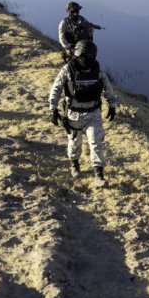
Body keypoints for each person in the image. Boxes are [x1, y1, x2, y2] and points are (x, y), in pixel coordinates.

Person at [48, 40, 117, 187]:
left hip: (93, 113)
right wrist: (53, 109)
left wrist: (112, 105)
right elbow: (56, 88)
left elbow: (107, 88)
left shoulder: (97, 71)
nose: (87, 59)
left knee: (95, 142)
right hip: (74, 114)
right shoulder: (68, 70)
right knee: (74, 142)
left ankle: (99, 174)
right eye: (85, 55)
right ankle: (75, 164)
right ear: (78, 54)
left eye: (90, 56)